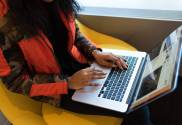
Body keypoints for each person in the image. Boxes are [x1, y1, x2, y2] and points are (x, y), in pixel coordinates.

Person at [0, 0, 153, 124]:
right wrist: (68, 83)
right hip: (56, 89)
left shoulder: (61, 3)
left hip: (82, 65)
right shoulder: (5, 20)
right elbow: (14, 81)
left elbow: (74, 31)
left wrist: (93, 52)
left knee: (141, 82)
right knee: (135, 105)